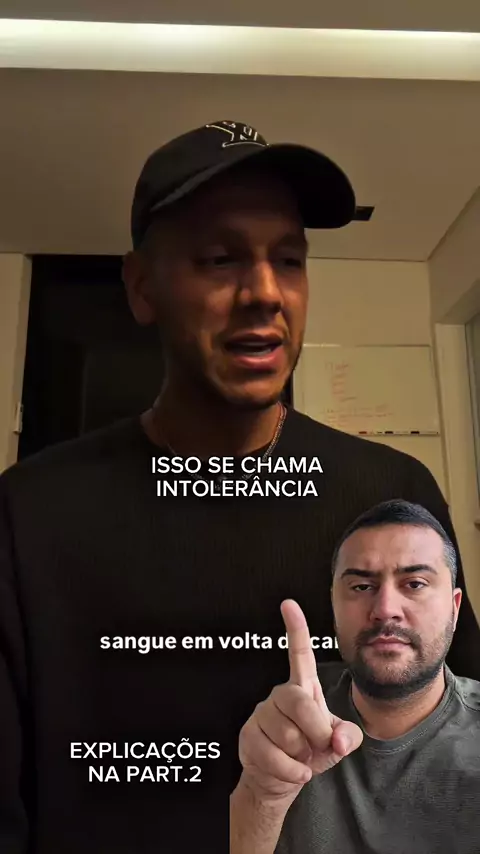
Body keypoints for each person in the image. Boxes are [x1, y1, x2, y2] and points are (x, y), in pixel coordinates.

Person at [0, 120, 479, 854]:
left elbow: (458, 728)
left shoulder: (389, 490)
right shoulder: (30, 514)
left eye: (289, 259)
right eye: (220, 259)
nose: (264, 293)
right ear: (142, 286)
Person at [231, 499, 480, 854]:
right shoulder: (275, 725)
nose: (385, 610)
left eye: (414, 584)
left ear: (454, 609)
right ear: (334, 608)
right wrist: (263, 795)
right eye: (362, 587)